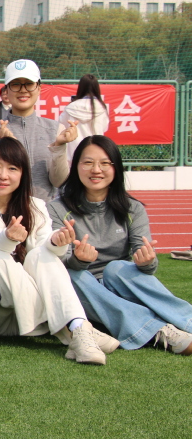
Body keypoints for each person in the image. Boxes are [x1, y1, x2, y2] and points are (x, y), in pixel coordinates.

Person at [0, 138, 118, 364]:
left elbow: (46, 250)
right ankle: (76, 327)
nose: (3, 175)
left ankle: (78, 327)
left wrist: (57, 242)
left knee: (41, 254)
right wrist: (6, 238)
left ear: (23, 173)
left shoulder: (36, 206)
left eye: (12, 168)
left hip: (28, 317)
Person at [48, 135, 192, 355]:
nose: (96, 170)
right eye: (88, 163)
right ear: (75, 167)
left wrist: (146, 261)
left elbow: (147, 266)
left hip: (118, 285)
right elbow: (60, 260)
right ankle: (158, 331)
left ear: (116, 168)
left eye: (105, 163)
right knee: (69, 276)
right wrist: (78, 260)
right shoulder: (57, 209)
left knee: (117, 268)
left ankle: (188, 320)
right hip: (85, 291)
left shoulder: (132, 208)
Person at [0, 59, 78, 202]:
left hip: (45, 211)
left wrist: (59, 147)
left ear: (39, 88)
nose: (23, 90)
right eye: (16, 84)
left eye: (29, 84)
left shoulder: (55, 128)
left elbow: (59, 182)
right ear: (6, 90)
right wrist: (6, 146)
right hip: (6, 210)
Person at [59, 74, 109, 161]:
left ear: (81, 87)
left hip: (73, 153)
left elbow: (61, 125)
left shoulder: (71, 107)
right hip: (96, 151)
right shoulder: (102, 107)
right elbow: (104, 127)